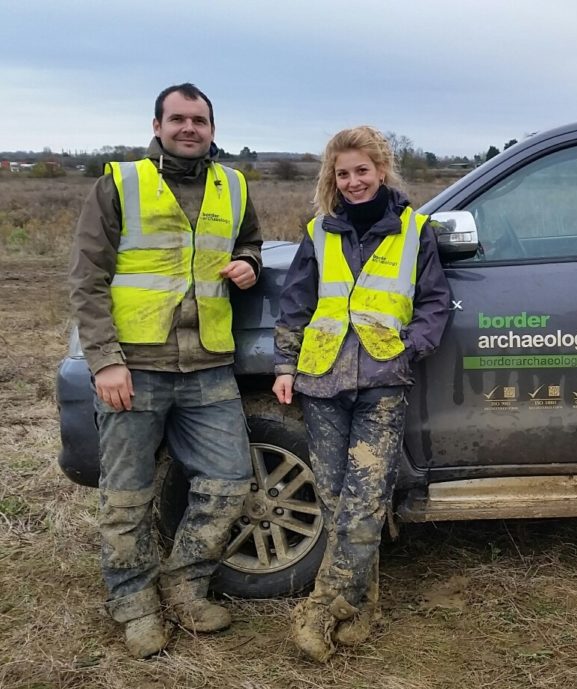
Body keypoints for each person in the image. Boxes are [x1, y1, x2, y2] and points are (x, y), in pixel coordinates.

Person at [69, 83, 262, 658]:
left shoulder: (234, 185)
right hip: (135, 366)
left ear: (211, 128)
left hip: (208, 366)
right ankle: (133, 605)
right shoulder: (120, 184)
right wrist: (104, 361)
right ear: (156, 125)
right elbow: (87, 279)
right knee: (126, 498)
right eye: (177, 119)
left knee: (229, 482)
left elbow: (250, 242)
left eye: (199, 120)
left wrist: (249, 264)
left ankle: (185, 586)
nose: (189, 129)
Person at [272, 126, 450, 661]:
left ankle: (323, 609)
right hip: (322, 380)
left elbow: (434, 302)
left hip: (381, 383)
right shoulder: (318, 232)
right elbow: (296, 304)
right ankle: (366, 601)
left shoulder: (415, 230)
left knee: (366, 500)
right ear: (333, 177)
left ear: (381, 171)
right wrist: (285, 364)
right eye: (342, 173)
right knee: (334, 499)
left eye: (362, 171)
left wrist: (407, 349)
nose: (352, 182)